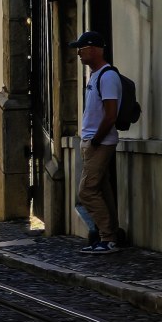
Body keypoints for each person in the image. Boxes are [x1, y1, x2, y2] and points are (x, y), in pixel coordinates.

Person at [70, 31, 121, 253]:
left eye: (81, 49)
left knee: (87, 191)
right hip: (93, 141)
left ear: (93, 49)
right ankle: (112, 234)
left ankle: (107, 237)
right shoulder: (95, 76)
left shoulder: (108, 77)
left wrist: (96, 141)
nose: (78, 53)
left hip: (100, 143)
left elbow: (111, 115)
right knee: (102, 189)